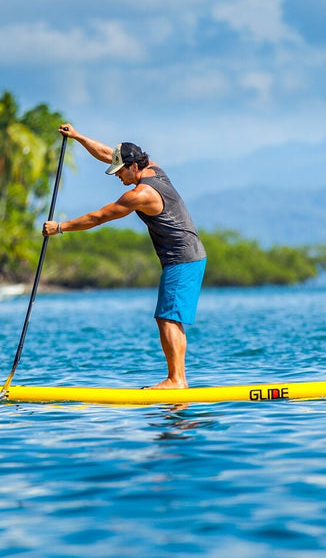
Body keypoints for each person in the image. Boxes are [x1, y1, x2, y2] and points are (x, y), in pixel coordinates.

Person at [43, 123, 207, 389]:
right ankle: (179, 380)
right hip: (188, 256)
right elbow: (107, 153)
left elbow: (98, 217)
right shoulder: (152, 167)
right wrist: (78, 136)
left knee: (167, 317)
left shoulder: (141, 194)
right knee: (169, 316)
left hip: (182, 258)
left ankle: (177, 380)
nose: (117, 175)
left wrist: (60, 227)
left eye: (120, 171)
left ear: (133, 166)